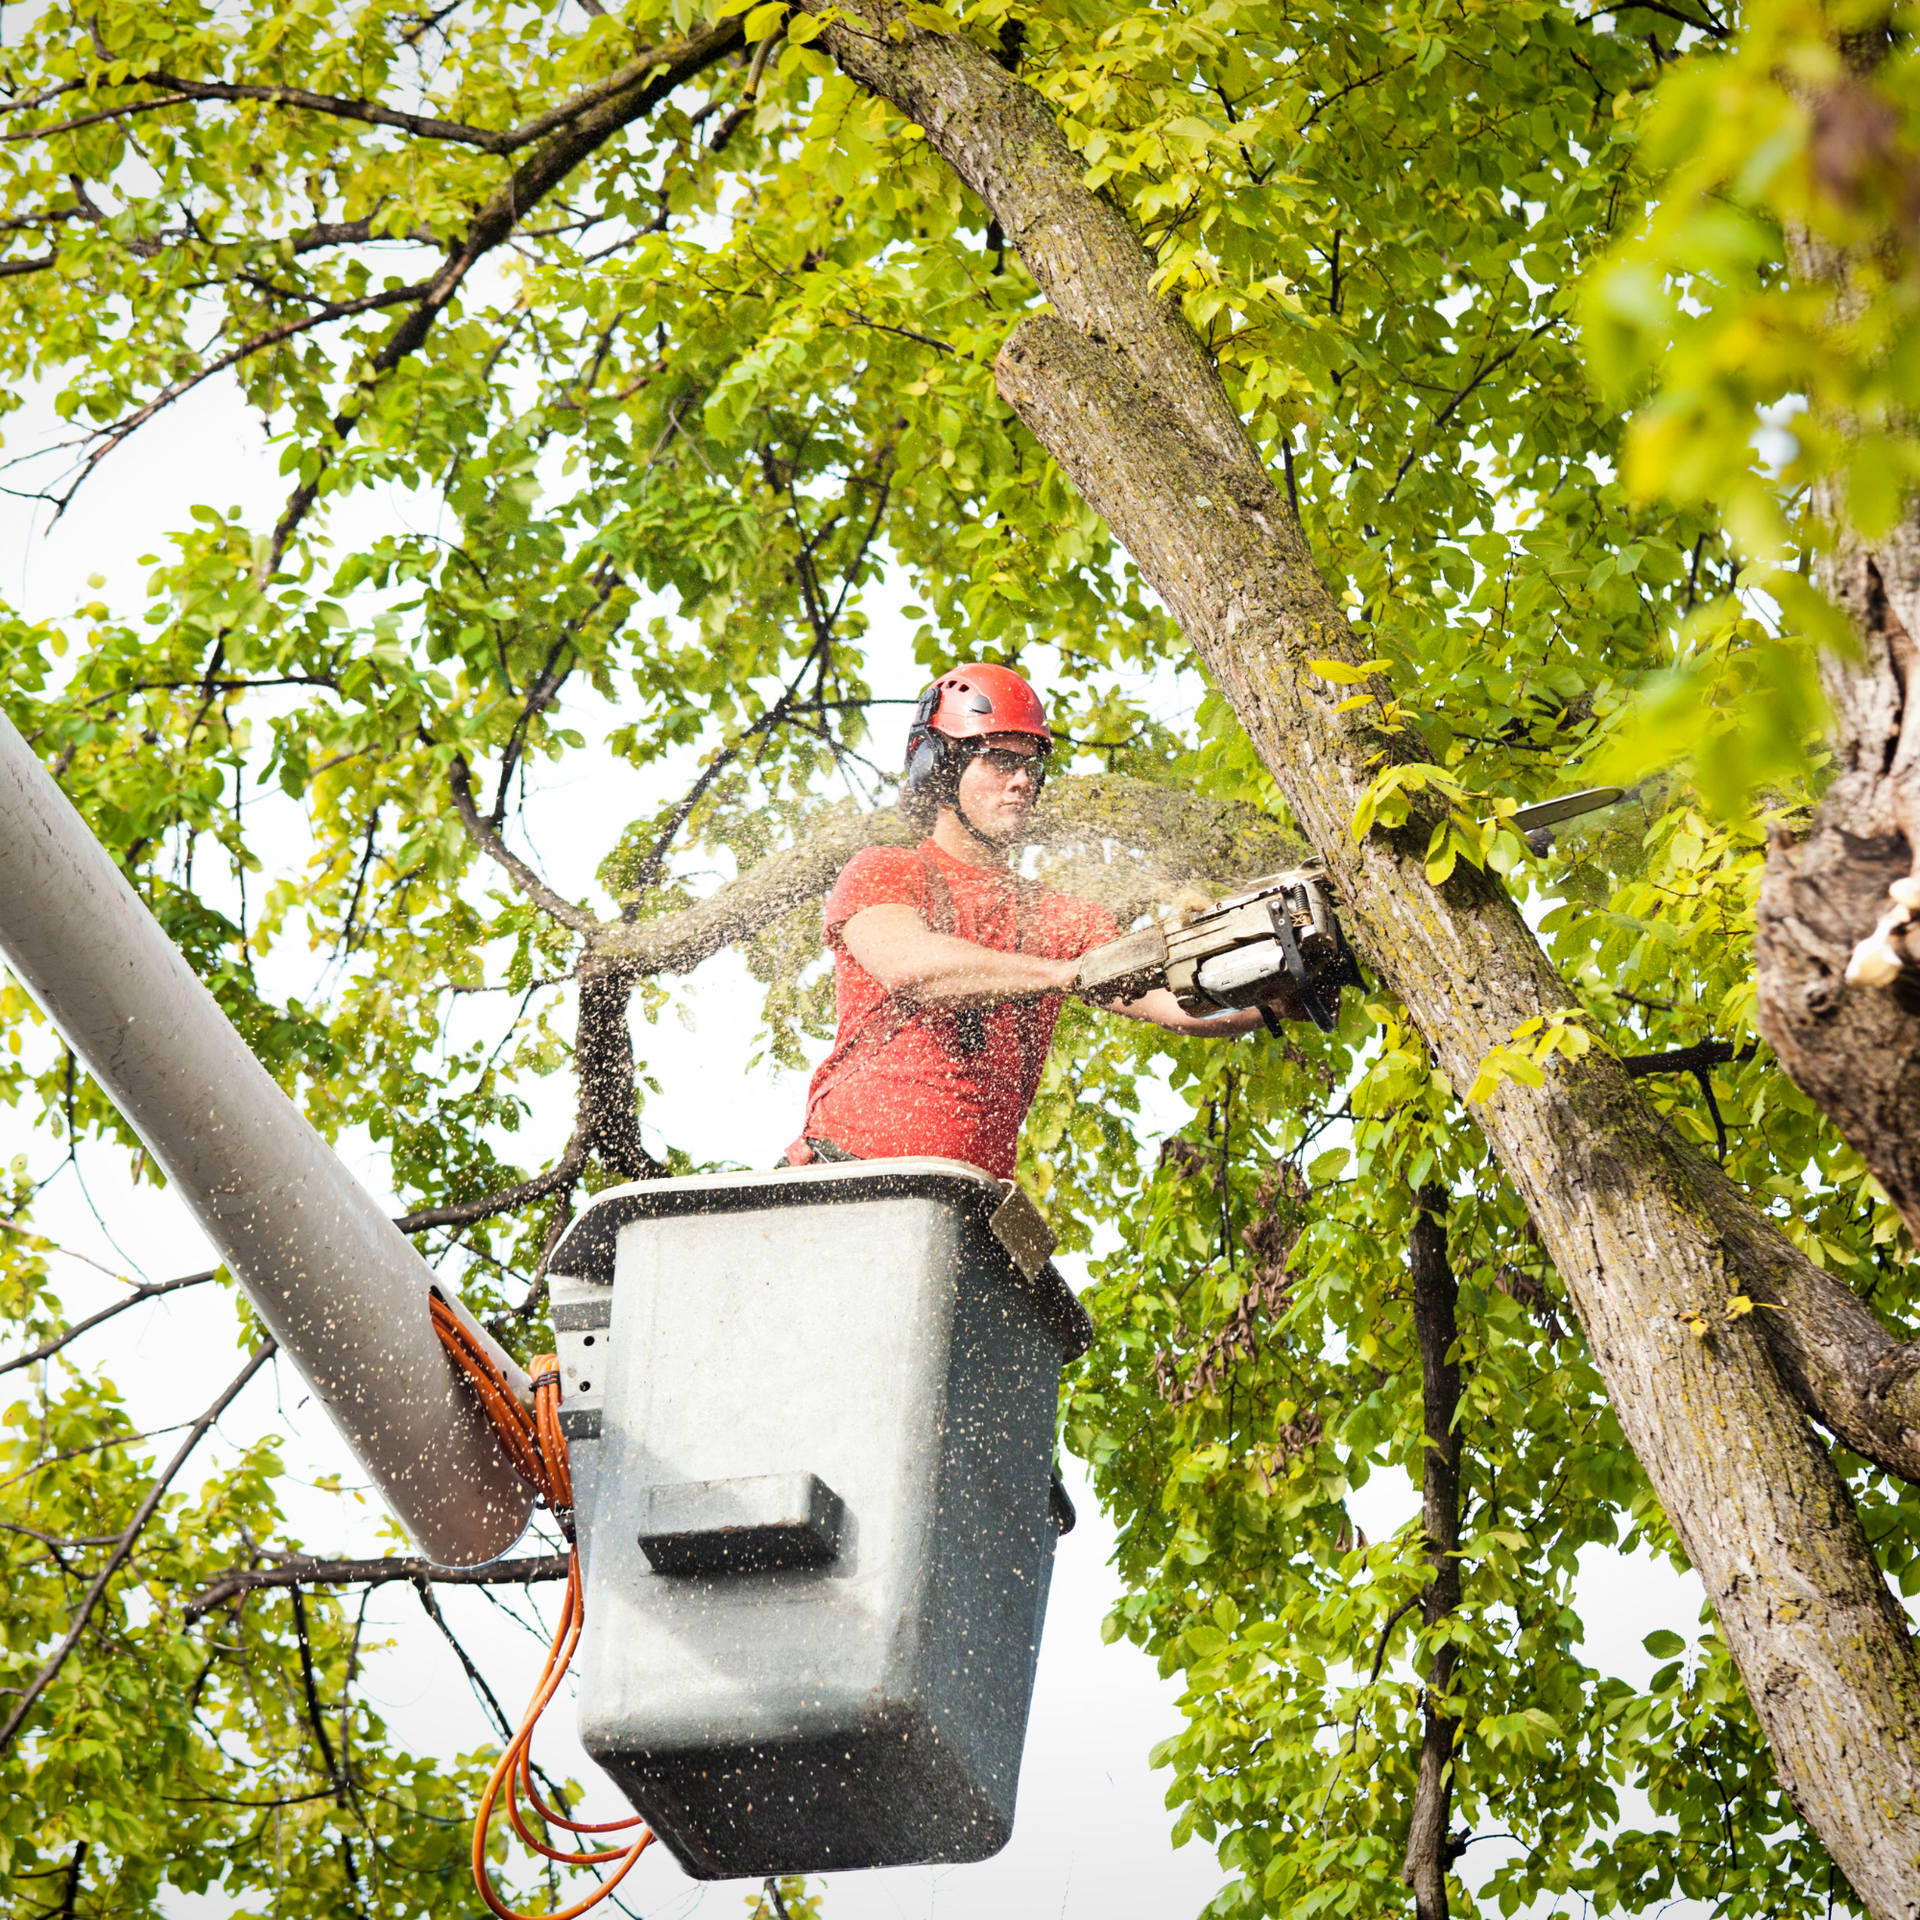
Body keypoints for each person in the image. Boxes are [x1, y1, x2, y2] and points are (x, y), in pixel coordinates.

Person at [784, 663, 1300, 1179]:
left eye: (1033, 765)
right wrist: (1063, 974)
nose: (1023, 780)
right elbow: (910, 967)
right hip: (844, 1178)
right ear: (940, 767)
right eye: (1001, 759)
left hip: (970, 1202)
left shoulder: (1063, 918)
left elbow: (1175, 1005)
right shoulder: (888, 870)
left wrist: (1273, 1001)